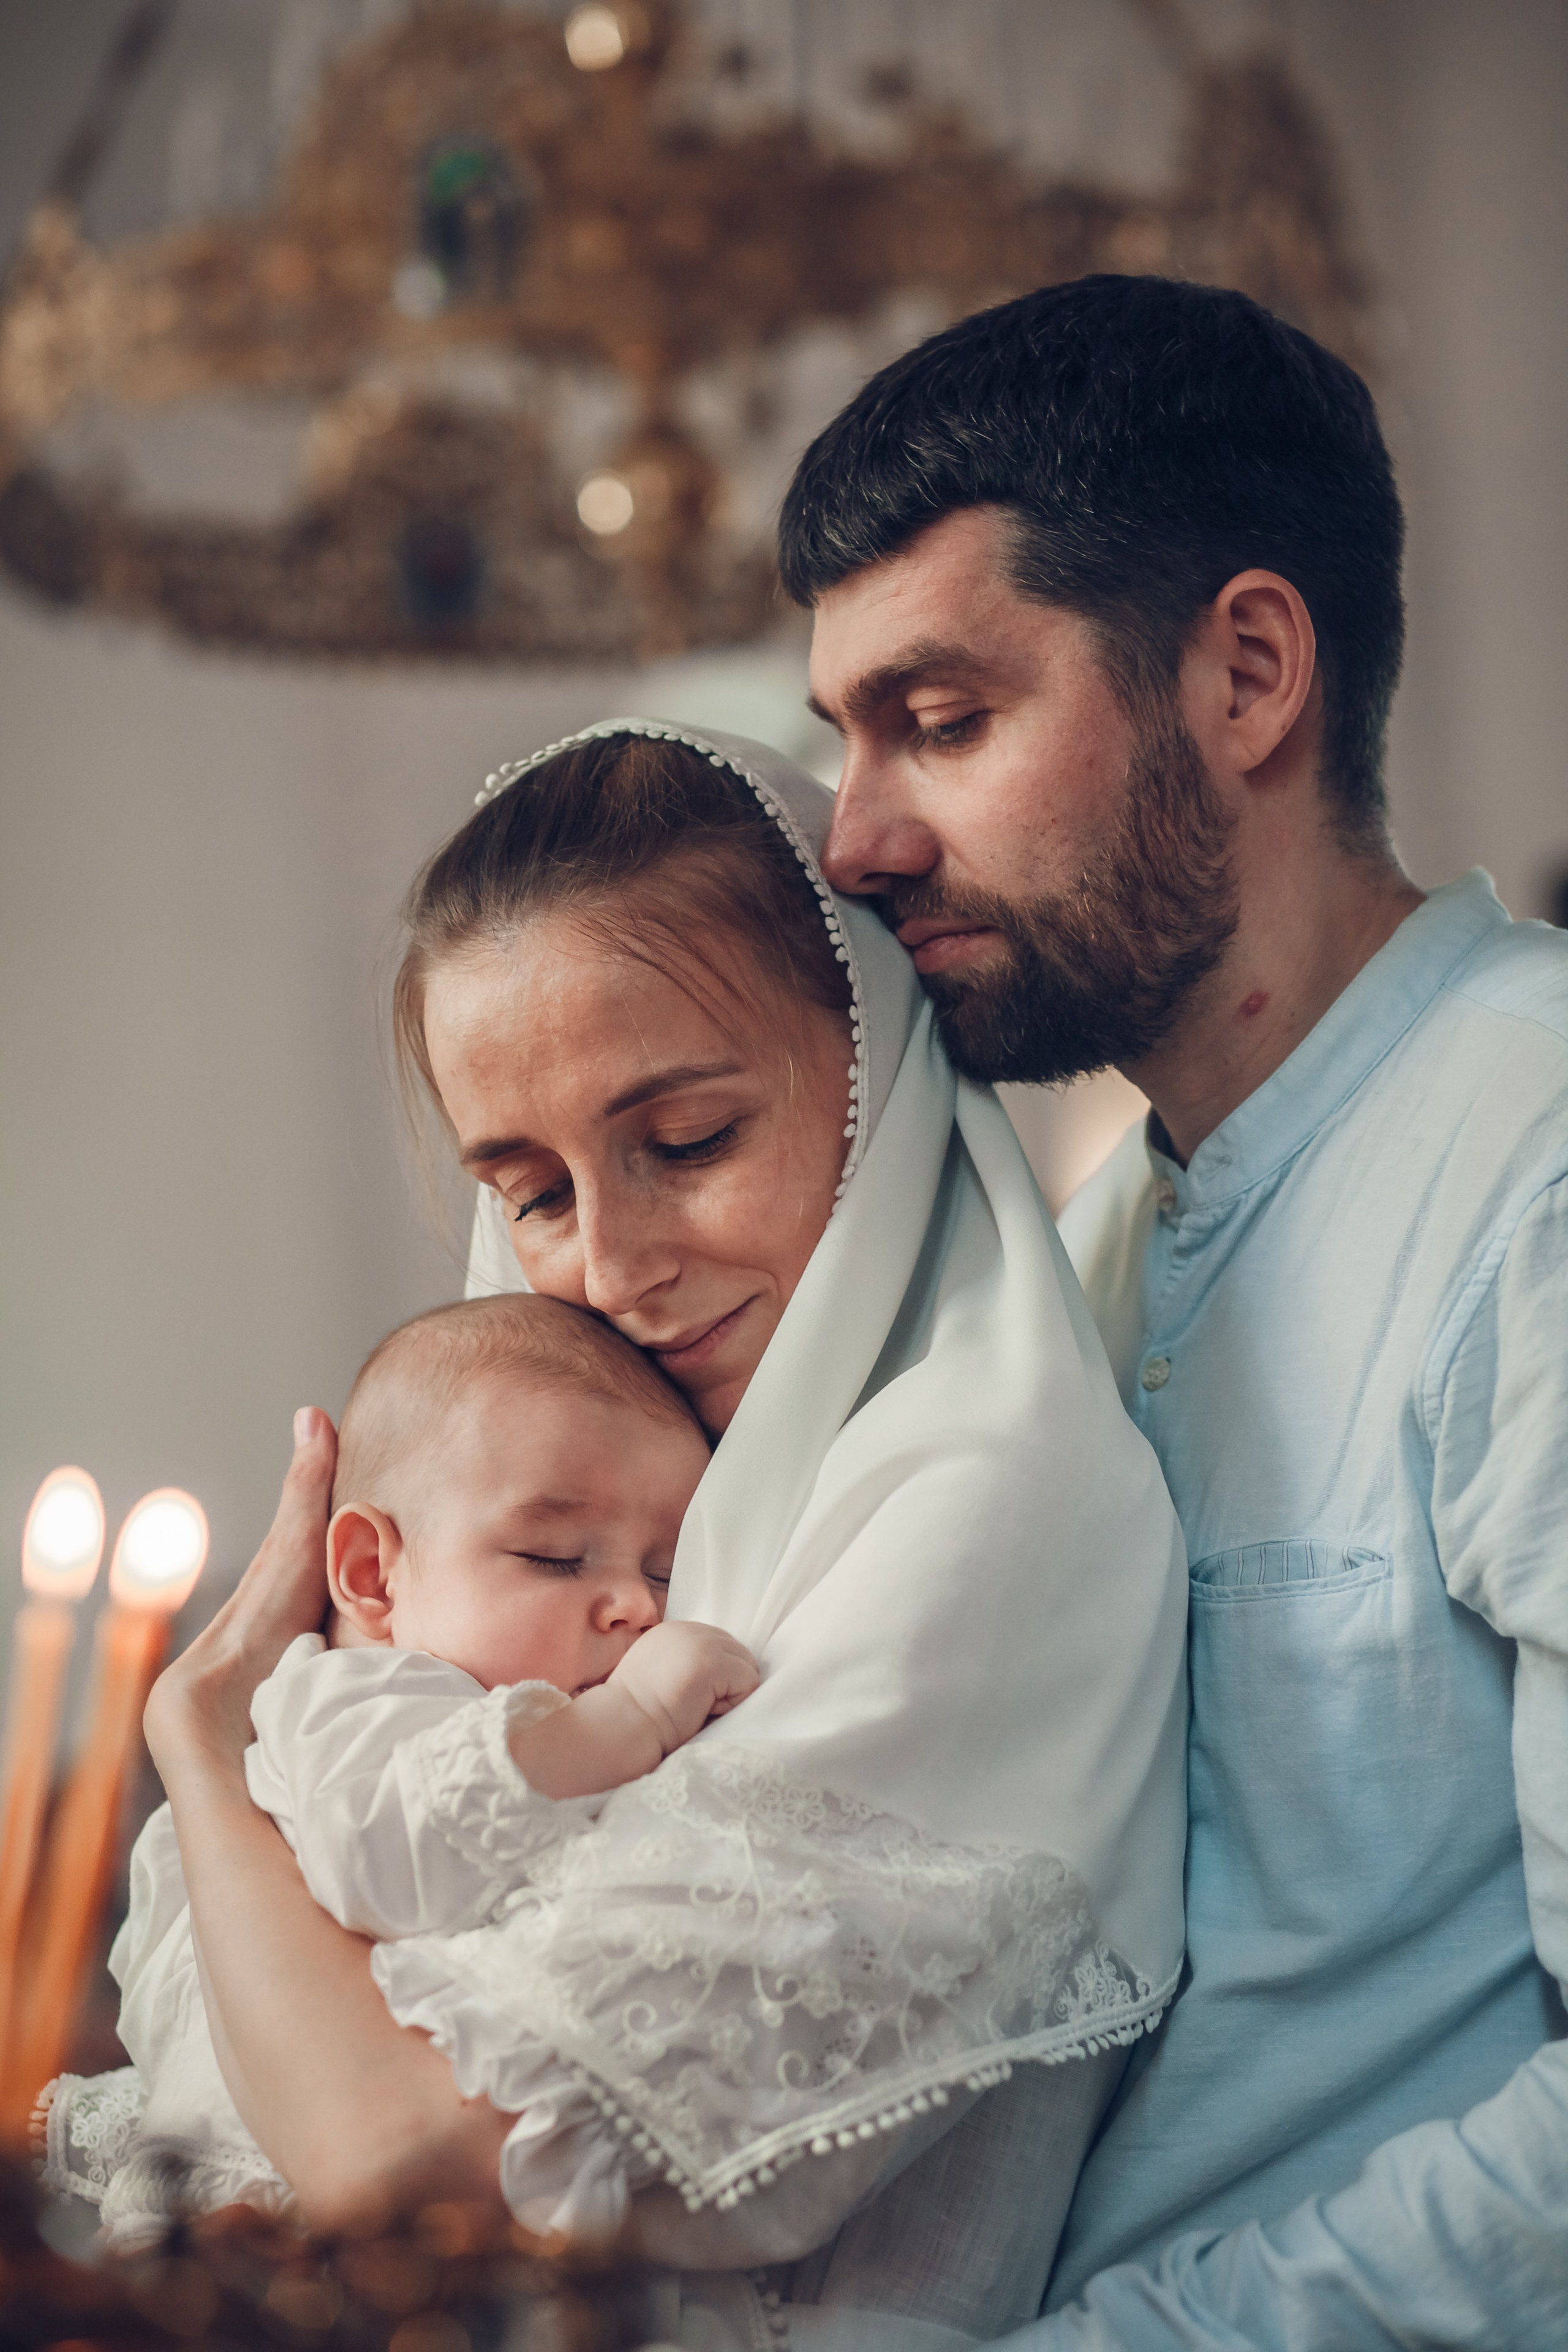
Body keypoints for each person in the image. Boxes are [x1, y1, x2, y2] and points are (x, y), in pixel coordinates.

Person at [138, 722, 1188, 2349]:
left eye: (686, 1142)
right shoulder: (594, 1494)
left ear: (880, 1074)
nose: (612, 1268)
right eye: (534, 1193)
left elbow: (416, 2176)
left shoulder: (984, 1505)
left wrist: (206, 1757)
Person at [780, 271, 1568, 2348]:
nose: (857, 841)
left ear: (1244, 673)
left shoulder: (1540, 1149)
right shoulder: (1087, 1238)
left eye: (942, 722)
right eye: (845, 740)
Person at [39, 1292, 750, 2245]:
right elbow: (388, 1856)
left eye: (664, 1571)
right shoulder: (356, 1702)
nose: (634, 1606)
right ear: (373, 1575)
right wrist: (640, 1712)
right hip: (270, 2217)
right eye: (553, 1556)